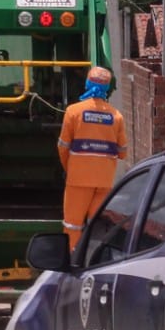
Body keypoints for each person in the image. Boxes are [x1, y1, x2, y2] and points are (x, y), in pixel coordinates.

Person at [56, 65, 128, 251]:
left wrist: (69, 168)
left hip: (78, 179)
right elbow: (122, 152)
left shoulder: (73, 111)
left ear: (87, 84)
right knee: (97, 225)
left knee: (73, 225)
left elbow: (63, 147)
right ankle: (93, 260)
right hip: (104, 180)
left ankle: (72, 259)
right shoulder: (116, 116)